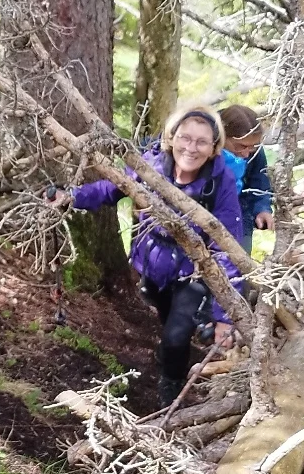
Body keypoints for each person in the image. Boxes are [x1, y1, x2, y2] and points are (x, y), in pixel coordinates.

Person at [62, 105, 246, 405]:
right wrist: (72, 196)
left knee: (176, 335)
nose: (191, 148)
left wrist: (225, 317)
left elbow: (227, 243)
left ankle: (170, 389)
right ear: (171, 138)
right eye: (185, 138)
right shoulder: (151, 165)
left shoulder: (219, 182)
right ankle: (172, 349)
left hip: (193, 271)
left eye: (202, 142)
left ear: (214, 148)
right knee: (165, 317)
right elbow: (112, 187)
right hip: (153, 265)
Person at [219, 104, 274, 231]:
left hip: (241, 217)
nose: (246, 153)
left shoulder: (253, 150)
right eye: (240, 146)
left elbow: (260, 183)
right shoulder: (201, 149)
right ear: (222, 136)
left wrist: (262, 209)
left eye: (253, 146)